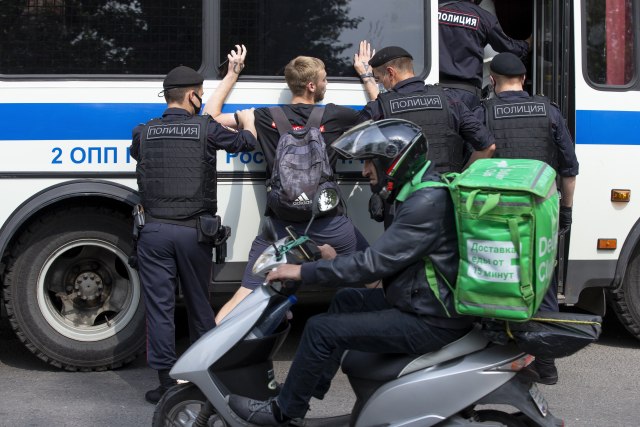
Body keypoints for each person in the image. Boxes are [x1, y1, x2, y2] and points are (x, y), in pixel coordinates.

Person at [227, 118, 474, 425]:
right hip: (422, 301)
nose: (365, 171)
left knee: (320, 330)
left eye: (370, 162)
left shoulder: (425, 202)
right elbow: (384, 260)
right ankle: (304, 389)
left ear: (393, 163)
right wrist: (331, 258)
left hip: (432, 320)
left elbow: (372, 265)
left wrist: (302, 272)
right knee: (347, 300)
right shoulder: (419, 193)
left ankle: (284, 412)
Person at [206, 51, 371, 324]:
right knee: (373, 276)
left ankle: (213, 344)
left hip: (281, 226)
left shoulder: (264, 116)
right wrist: (366, 75)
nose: (327, 83)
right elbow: (379, 115)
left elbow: (210, 118)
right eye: (324, 79)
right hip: (330, 225)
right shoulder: (334, 116)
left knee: (244, 294)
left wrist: (232, 75)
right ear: (312, 86)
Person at [130, 53, 258, 404]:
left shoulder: (144, 131)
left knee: (160, 309)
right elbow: (246, 143)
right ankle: (204, 380)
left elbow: (138, 155)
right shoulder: (206, 129)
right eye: (201, 94)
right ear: (192, 96)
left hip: (154, 232)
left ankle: (165, 385)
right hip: (193, 233)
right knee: (200, 306)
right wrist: (248, 122)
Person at [476, 52, 579, 384]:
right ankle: (546, 365)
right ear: (523, 79)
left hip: (499, 215)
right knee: (543, 285)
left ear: (493, 80)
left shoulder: (484, 112)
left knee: (497, 282)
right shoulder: (549, 111)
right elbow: (569, 169)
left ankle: (501, 361)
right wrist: (566, 212)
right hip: (541, 213)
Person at [356, 45, 495, 225]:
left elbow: (357, 140)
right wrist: (460, 179)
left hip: (403, 208)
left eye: (379, 79)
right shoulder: (449, 100)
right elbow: (488, 147)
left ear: (390, 73)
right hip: (446, 205)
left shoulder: (380, 108)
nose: (381, 85)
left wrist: (367, 79)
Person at [438, 0, 531, 109]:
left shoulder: (433, 12)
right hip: (467, 93)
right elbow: (508, 47)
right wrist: (528, 44)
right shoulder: (482, 17)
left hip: (436, 92)